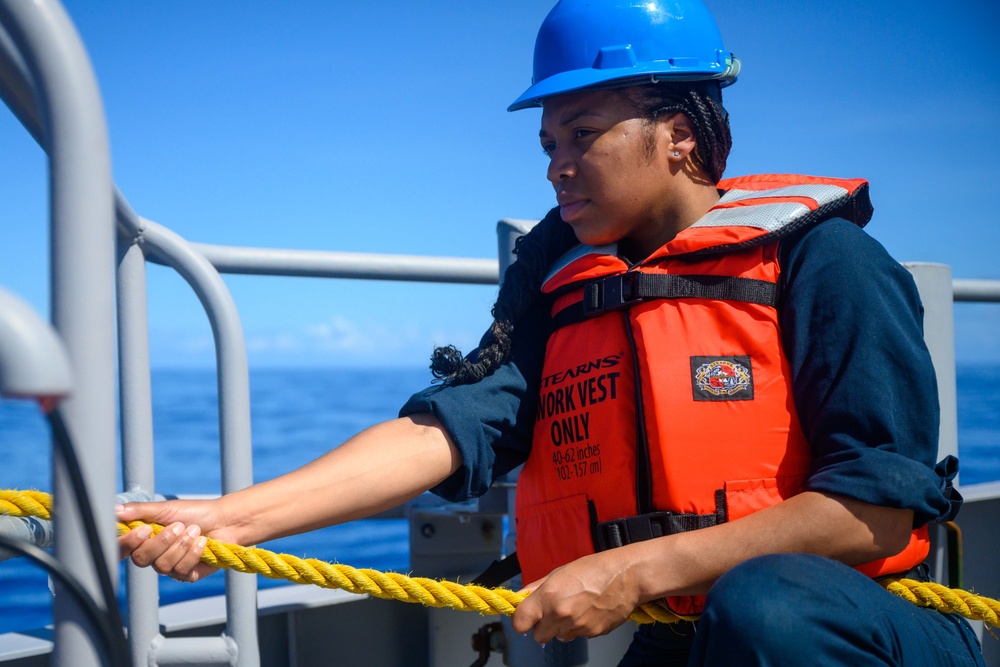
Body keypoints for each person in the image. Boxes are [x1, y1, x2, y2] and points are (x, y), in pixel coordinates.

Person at [118, 1, 986, 664]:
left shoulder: (827, 264)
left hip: (853, 627)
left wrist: (636, 569)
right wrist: (231, 516)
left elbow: (875, 511)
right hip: (693, 635)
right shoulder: (569, 296)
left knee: (766, 607)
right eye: (545, 142)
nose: (555, 165)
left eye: (581, 133)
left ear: (679, 136)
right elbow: (443, 433)